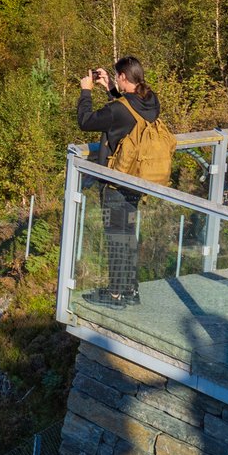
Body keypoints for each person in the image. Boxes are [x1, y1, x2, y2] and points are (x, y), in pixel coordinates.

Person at [76, 56, 163, 306]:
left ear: (123, 77)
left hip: (115, 181)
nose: (115, 79)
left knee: (115, 235)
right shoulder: (151, 100)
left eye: (116, 76)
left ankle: (115, 293)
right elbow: (128, 112)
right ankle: (130, 290)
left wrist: (86, 91)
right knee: (128, 234)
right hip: (137, 178)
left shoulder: (118, 109)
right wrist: (110, 89)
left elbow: (86, 121)